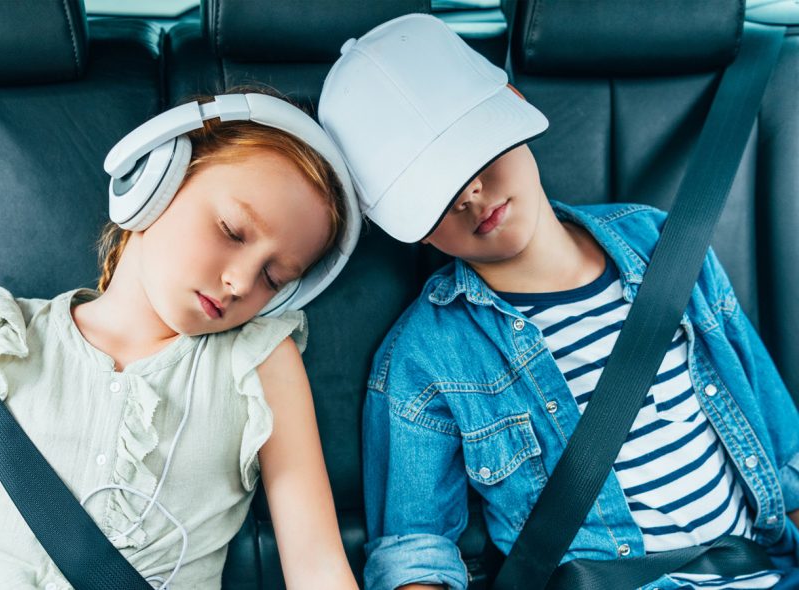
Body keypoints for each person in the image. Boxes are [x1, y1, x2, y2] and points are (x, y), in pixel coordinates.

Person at [318, 14, 799, 590]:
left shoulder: (664, 242)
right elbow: (415, 552)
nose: (470, 193)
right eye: (435, 191)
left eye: (475, 154)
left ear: (513, 109)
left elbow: (782, 452)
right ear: (411, 228)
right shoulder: (426, 358)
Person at [0, 90, 361, 590]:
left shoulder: (261, 366)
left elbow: (316, 567)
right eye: (231, 230)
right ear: (155, 181)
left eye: (274, 278)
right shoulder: (0, 339)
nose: (243, 282)